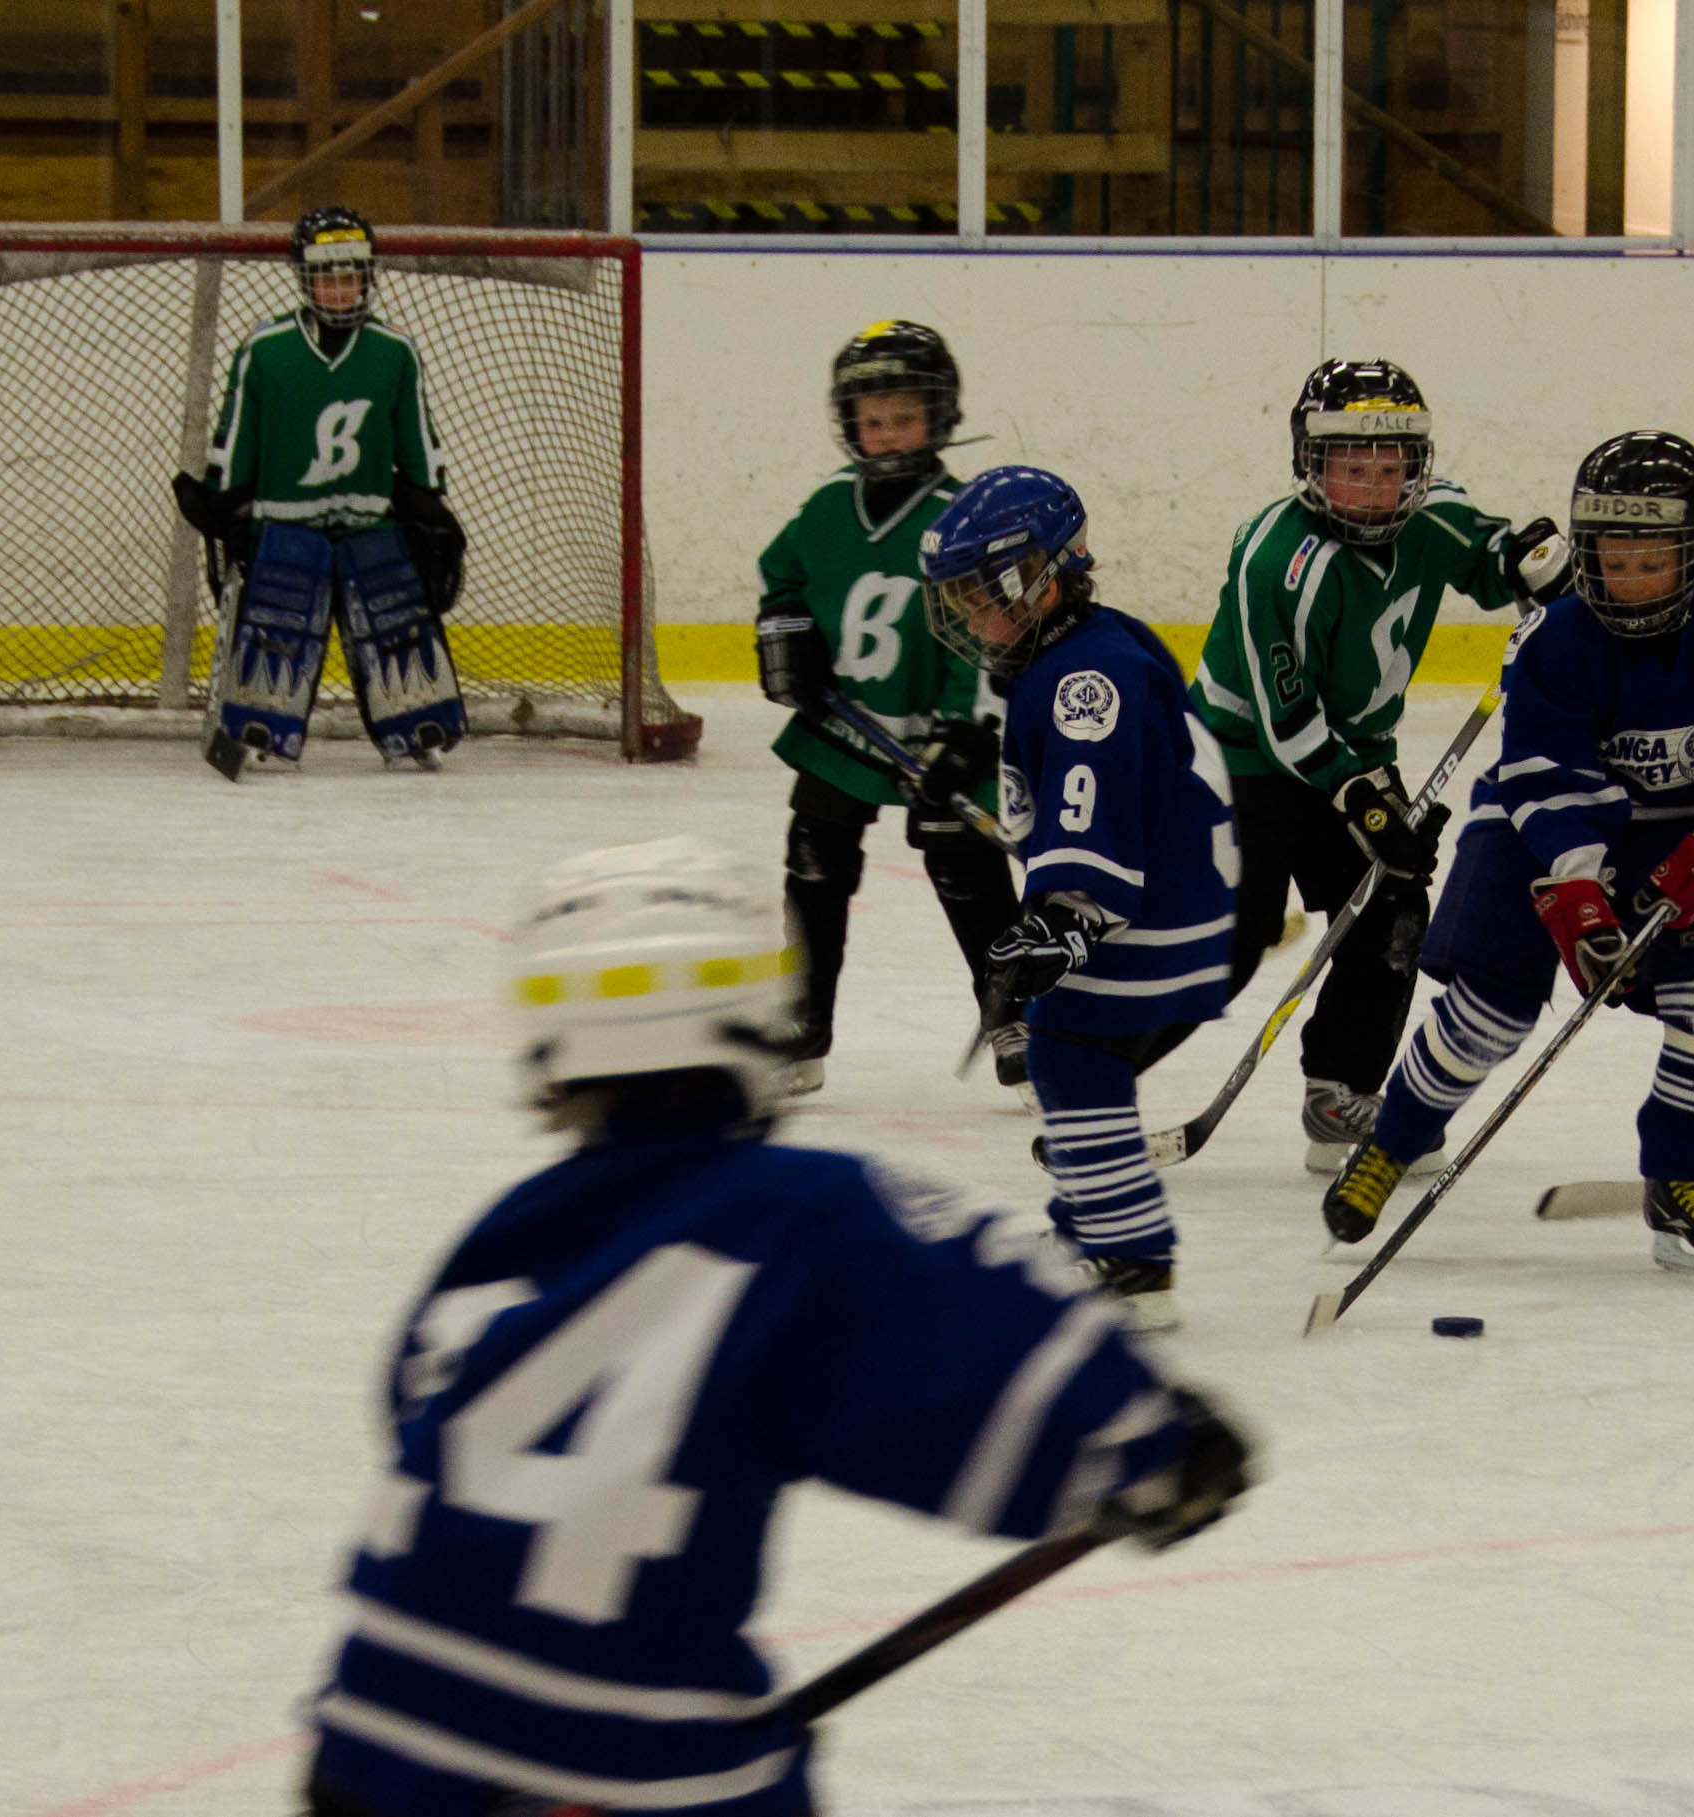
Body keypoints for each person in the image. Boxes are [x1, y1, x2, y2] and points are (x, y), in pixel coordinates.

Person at [298, 834, 1254, 1817]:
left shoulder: (514, 1228)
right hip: (635, 1763)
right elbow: (1003, 1374)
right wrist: (1156, 1445)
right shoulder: (807, 1213)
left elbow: (413, 1411)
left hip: (371, 1737)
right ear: (755, 1015)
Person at [1319, 430, 1694, 1281]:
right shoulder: (1550, 638)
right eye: (1609, 561)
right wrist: (1578, 890)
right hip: (1532, 835)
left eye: (1651, 563)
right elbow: (1545, 772)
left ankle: (1677, 1176)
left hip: (1687, 833)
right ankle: (1390, 1143)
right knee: (1489, 1015)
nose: (1628, 582)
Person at [1188, 359, 1567, 1172]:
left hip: (1353, 754)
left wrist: (1536, 564)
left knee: (1391, 906)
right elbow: (1284, 719)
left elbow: (1491, 555)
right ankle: (1090, 1045)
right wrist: (1364, 802)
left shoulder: (1431, 517)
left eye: (1390, 469)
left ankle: (1341, 1093)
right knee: (1236, 932)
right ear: (1310, 464)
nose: (1372, 488)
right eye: (1350, 468)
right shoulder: (1274, 558)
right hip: (1239, 756)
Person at [913, 467, 1237, 1332]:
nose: (968, 615)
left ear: (1040, 578)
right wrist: (974, 764)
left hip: (1146, 909)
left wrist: (1063, 917)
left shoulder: (1086, 678)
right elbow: (1065, 778)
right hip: (1168, 893)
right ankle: (1093, 1229)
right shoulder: (1088, 644)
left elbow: (1093, 805)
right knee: (1077, 1059)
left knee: (1068, 1056)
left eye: (980, 594)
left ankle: (1130, 1260)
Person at [753, 321, 1019, 1102]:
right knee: (813, 862)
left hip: (938, 735)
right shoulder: (828, 504)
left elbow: (987, 632)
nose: (888, 433)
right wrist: (787, 629)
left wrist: (967, 731)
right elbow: (781, 576)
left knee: (967, 868)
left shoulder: (960, 514)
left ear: (939, 417)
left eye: (904, 417)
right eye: (872, 421)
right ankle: (802, 1022)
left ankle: (1017, 1018)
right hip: (843, 726)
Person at [175, 205, 466, 777]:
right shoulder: (266, 349)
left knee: (393, 610)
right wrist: (224, 500)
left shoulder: (395, 351)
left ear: (368, 276)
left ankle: (418, 724)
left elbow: (418, 441)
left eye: (350, 276)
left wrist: (430, 507)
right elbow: (236, 436)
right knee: (282, 609)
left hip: (369, 519)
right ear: (304, 279)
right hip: (285, 519)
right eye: (326, 277)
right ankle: (260, 725)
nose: (338, 289)